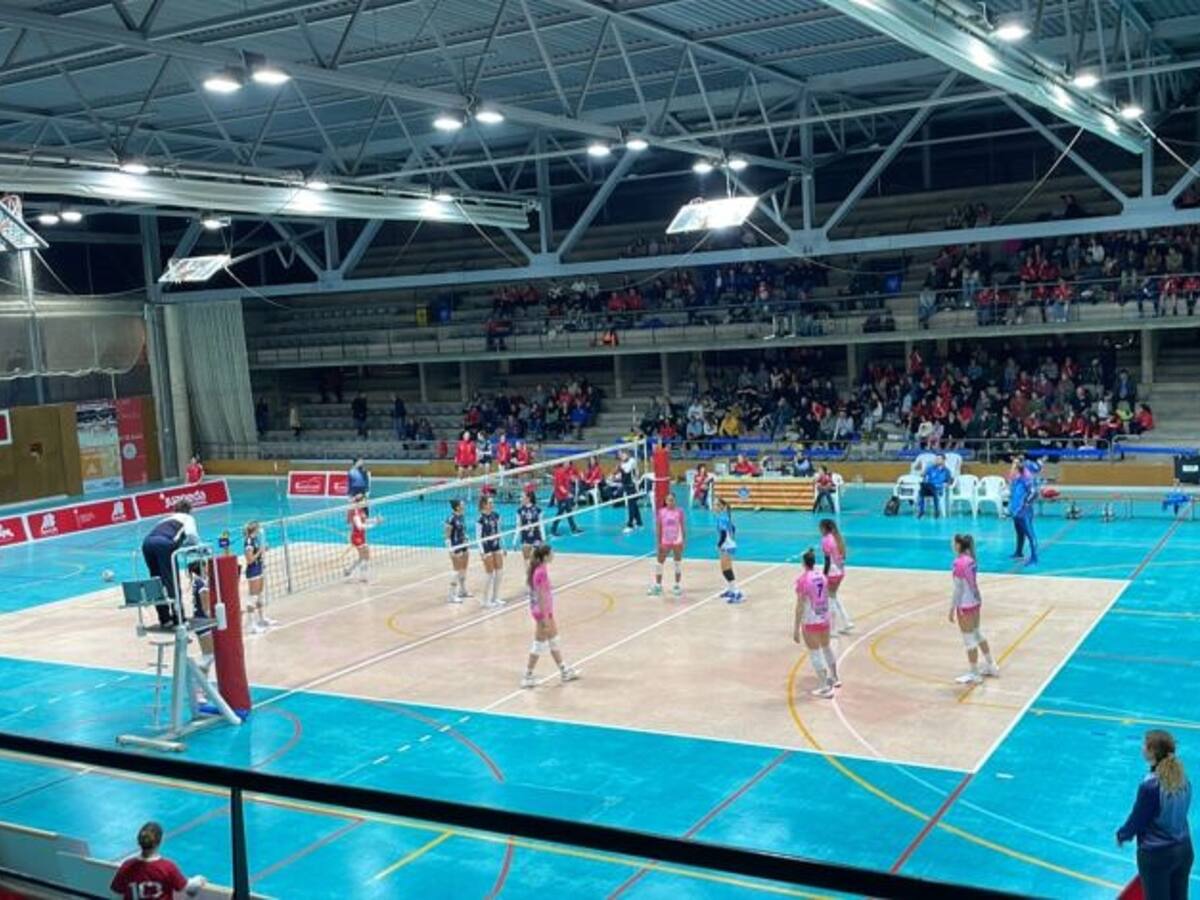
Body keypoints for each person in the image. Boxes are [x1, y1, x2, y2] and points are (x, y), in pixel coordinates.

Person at [1118, 730, 1193, 900]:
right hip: (1184, 850)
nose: (1141, 748)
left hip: (1157, 856)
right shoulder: (1184, 779)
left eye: (1144, 745)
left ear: (1152, 752)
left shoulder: (1150, 786)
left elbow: (1138, 819)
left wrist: (1123, 835)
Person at [520, 544, 580, 688]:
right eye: (552, 553)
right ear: (545, 556)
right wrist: (545, 618)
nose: (554, 555)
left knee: (553, 641)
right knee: (539, 644)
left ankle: (564, 671)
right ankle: (527, 676)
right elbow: (540, 596)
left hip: (545, 610)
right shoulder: (540, 572)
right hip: (542, 612)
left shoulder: (540, 568)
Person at [140, 500, 200, 627]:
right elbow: (192, 536)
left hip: (147, 544)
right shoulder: (188, 518)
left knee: (156, 581)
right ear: (189, 511)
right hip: (164, 545)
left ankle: (164, 619)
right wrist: (195, 547)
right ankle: (179, 618)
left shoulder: (165, 520)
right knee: (171, 582)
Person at [948, 533, 998, 684]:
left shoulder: (958, 563)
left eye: (953, 543)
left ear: (958, 545)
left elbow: (958, 589)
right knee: (977, 633)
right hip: (976, 602)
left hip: (965, 605)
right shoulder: (971, 560)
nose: (951, 545)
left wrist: (952, 608)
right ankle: (991, 665)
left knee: (969, 640)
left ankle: (974, 673)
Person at [111, 821, 206, 900]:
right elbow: (186, 888)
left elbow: (117, 892)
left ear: (139, 841)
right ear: (160, 841)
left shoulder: (127, 866)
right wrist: (198, 880)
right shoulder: (168, 868)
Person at [794, 549, 838, 699]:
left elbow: (800, 605)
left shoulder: (802, 580)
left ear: (803, 563)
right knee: (827, 648)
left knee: (815, 653)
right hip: (824, 618)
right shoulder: (822, 576)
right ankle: (835, 678)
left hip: (811, 620)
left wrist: (796, 628)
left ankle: (825, 687)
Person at [819, 519, 854, 634]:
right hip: (840, 570)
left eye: (820, 528)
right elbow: (843, 557)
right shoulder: (838, 538)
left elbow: (827, 561)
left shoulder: (826, 540)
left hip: (832, 571)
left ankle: (833, 629)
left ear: (824, 529)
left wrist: (824, 575)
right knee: (833, 596)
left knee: (830, 600)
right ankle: (847, 622)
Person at [649, 492, 685, 597]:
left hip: (677, 541)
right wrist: (658, 543)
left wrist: (683, 541)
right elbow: (659, 528)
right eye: (668, 500)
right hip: (665, 541)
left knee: (677, 563)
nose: (670, 502)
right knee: (659, 563)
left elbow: (682, 526)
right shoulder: (661, 512)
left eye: (672, 500)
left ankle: (677, 585)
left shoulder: (680, 511)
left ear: (675, 501)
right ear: (665, 501)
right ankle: (658, 586)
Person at [242, 520, 275, 633]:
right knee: (253, 597)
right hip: (253, 571)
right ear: (255, 529)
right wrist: (260, 551)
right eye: (259, 528)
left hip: (259, 568)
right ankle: (251, 625)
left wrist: (264, 549)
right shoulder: (249, 542)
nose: (260, 530)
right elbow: (249, 560)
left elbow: (258, 552)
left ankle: (262, 618)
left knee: (259, 595)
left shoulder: (255, 539)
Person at [1009, 455, 1040, 566]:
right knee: (1019, 532)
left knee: (1030, 534)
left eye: (1015, 465)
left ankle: (1034, 558)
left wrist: (1025, 505)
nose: (1012, 467)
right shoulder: (1016, 478)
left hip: (1024, 511)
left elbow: (1034, 493)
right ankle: (1019, 552)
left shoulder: (1026, 478)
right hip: (1016, 511)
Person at [342, 493, 380, 583]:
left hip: (361, 536)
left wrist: (376, 520)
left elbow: (365, 520)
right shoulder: (355, 513)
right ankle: (363, 577)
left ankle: (349, 570)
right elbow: (360, 526)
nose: (366, 502)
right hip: (356, 537)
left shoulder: (361, 510)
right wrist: (373, 525)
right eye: (364, 500)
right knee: (366, 555)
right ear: (360, 501)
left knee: (363, 556)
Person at [186, 562, 215, 675]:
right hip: (203, 622)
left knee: (207, 655)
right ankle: (196, 675)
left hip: (198, 621)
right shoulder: (202, 585)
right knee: (209, 656)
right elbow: (205, 608)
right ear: (202, 568)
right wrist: (215, 620)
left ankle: (202, 682)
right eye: (206, 566)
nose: (208, 569)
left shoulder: (196, 581)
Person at [476, 495, 505, 609]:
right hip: (486, 547)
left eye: (492, 502)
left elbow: (499, 531)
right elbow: (478, 538)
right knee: (489, 573)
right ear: (484, 505)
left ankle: (495, 597)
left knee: (500, 572)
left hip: (496, 545)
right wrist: (482, 552)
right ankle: (485, 600)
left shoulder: (496, 515)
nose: (492, 504)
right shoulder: (480, 519)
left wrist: (503, 546)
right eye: (490, 503)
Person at [714, 497, 743, 603]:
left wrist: (719, 545)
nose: (714, 507)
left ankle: (737, 592)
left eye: (716, 505)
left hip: (727, 546)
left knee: (726, 569)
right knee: (726, 569)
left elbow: (723, 533)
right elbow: (733, 528)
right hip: (729, 545)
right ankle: (731, 590)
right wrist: (732, 538)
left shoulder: (722, 518)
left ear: (722, 506)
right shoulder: (725, 516)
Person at [444, 499, 470, 603]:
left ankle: (462, 590)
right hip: (455, 546)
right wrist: (450, 550)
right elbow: (447, 536)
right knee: (456, 571)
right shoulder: (451, 519)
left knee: (463, 568)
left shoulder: (462, 516)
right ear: (457, 507)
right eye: (462, 504)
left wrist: (466, 537)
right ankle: (451, 595)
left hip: (464, 545)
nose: (464, 506)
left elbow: (462, 530)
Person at [549, 460, 583, 536]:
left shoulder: (565, 471)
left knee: (569, 512)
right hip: (561, 497)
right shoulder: (560, 472)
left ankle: (573, 528)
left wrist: (573, 478)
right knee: (560, 513)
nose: (569, 464)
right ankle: (553, 529)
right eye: (567, 462)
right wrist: (567, 493)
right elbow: (560, 485)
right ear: (563, 463)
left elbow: (568, 480)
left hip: (565, 496)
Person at [513, 490, 545, 563]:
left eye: (522, 497)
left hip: (536, 537)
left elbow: (541, 525)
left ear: (528, 498)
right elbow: (518, 526)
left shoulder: (538, 510)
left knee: (536, 560)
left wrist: (543, 538)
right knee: (527, 561)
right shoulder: (519, 511)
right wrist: (514, 540)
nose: (520, 499)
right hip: (525, 538)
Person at [918, 454, 951, 518]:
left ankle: (923, 512)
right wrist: (926, 468)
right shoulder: (931, 468)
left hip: (939, 489)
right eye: (936, 459)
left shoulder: (947, 471)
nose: (937, 460)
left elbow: (948, 482)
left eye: (939, 459)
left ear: (943, 460)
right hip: (929, 489)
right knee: (922, 489)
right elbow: (922, 475)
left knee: (928, 488)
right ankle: (925, 511)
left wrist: (945, 485)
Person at [618, 449, 642, 533]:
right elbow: (622, 475)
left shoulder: (632, 461)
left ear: (627, 454)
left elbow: (627, 471)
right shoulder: (622, 463)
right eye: (620, 455)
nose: (621, 456)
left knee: (631, 505)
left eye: (622, 454)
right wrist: (615, 476)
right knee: (634, 504)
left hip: (632, 485)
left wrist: (620, 467)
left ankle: (630, 525)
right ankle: (639, 522)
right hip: (626, 485)